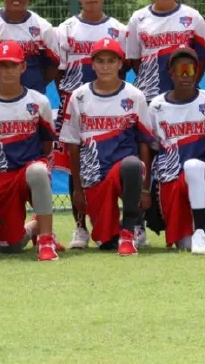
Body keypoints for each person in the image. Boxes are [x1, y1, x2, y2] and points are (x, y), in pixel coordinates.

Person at [126, 0, 205, 246]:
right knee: (144, 158)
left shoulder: (192, 17)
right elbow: (135, 60)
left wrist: (187, 85)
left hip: (185, 98)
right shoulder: (138, 19)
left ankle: (203, 224)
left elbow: (201, 56)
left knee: (192, 158)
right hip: (150, 97)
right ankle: (137, 224)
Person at [53, 0, 128, 249]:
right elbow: (59, 70)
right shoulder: (65, 29)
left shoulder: (119, 30)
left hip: (109, 108)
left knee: (112, 165)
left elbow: (127, 65)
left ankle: (126, 224)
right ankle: (80, 228)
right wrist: (72, 94)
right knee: (76, 169)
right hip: (74, 106)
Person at [59, 37, 153, 255]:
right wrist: (78, 189)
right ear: (92, 64)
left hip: (123, 170)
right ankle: (111, 232)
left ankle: (130, 231)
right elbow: (73, 145)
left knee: (131, 165)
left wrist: (146, 188)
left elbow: (145, 143)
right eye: (100, 61)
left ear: (121, 63)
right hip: (94, 175)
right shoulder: (79, 96)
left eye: (111, 61)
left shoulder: (134, 95)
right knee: (105, 241)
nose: (105, 66)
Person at [0, 40, 61, 261]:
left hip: (30, 168)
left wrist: (41, 165)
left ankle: (47, 240)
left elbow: (47, 142)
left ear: (23, 67)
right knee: (11, 245)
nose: (8, 70)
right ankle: (34, 227)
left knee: (38, 171)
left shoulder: (39, 101)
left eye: (13, 65)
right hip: (1, 174)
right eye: (3, 65)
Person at [148, 46, 205, 254]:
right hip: (170, 177)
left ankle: (201, 230)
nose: (185, 75)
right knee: (184, 245)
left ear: (197, 72)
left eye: (190, 69)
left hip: (201, 171)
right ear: (171, 73)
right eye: (180, 70)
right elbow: (153, 149)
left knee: (193, 166)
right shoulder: (156, 106)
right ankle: (202, 232)